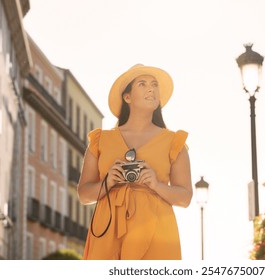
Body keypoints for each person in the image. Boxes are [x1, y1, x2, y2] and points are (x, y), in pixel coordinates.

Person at [77, 64, 192, 260]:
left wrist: (155, 184)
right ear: (127, 97)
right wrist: (108, 183)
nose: (151, 89)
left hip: (157, 232)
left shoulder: (174, 142)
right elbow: (83, 194)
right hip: (107, 229)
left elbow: (185, 197)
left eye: (155, 84)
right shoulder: (100, 141)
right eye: (142, 84)